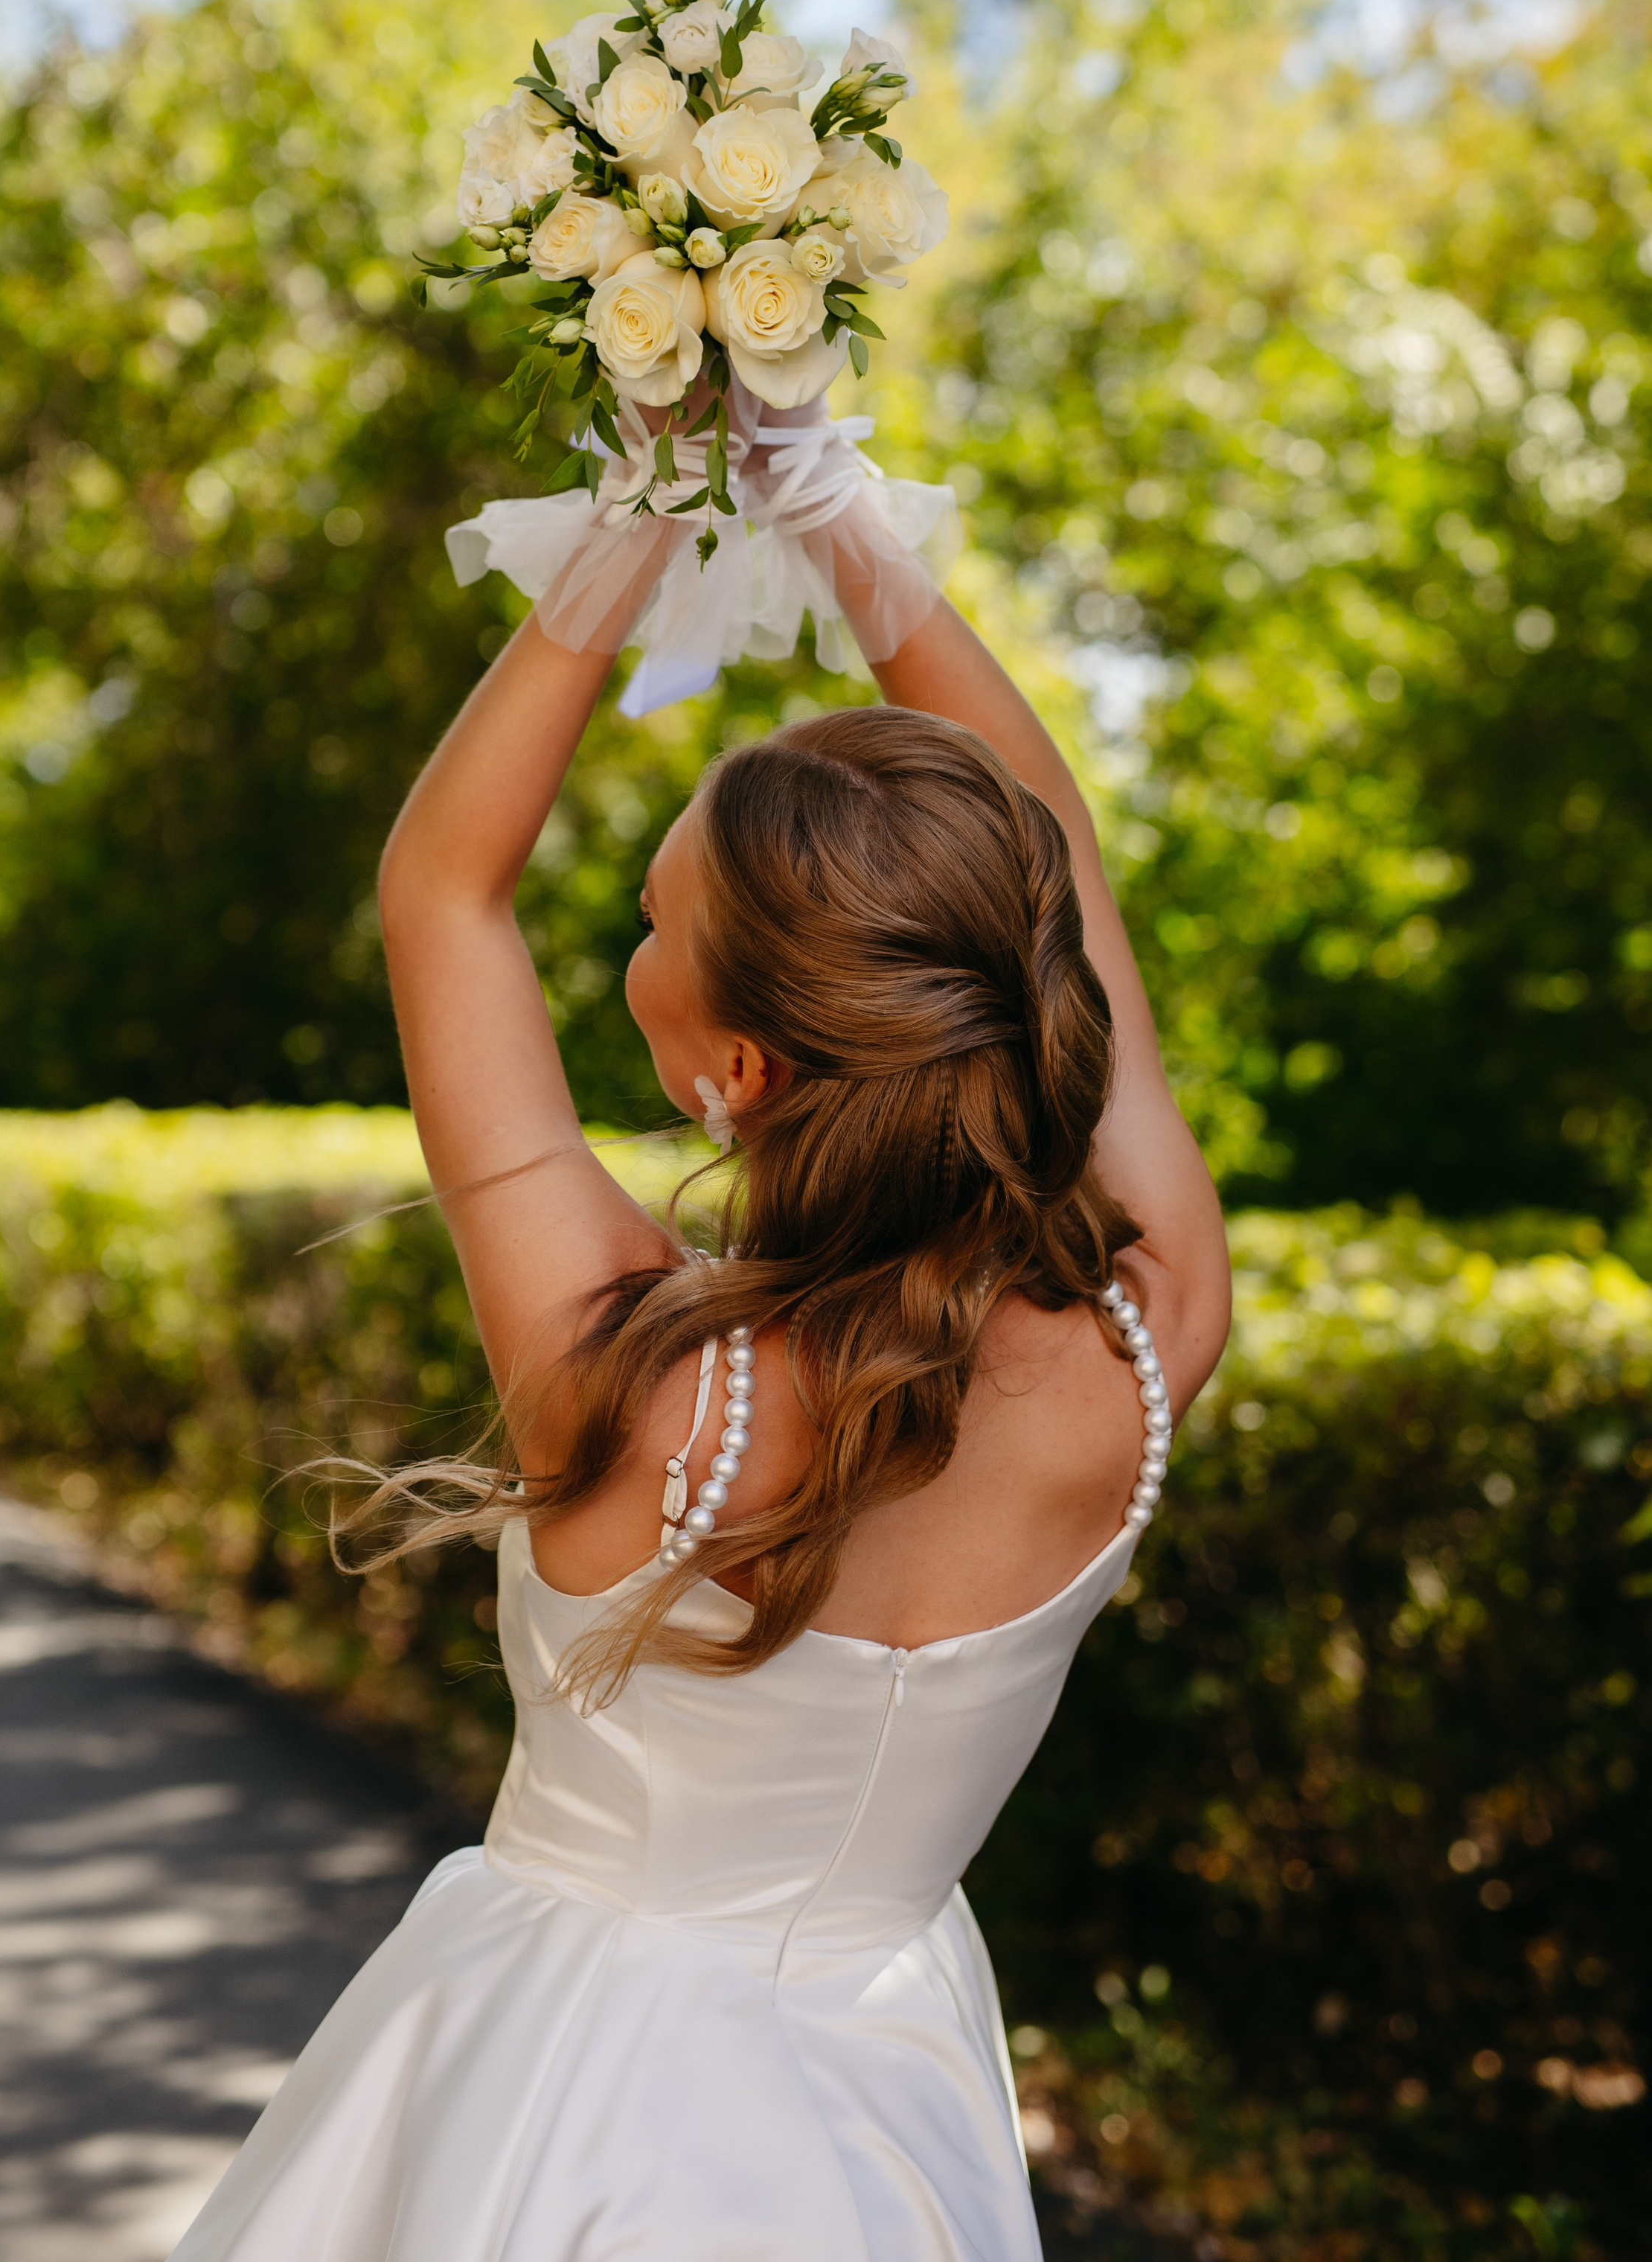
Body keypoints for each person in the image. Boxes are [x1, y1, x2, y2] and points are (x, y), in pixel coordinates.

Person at [168, 432, 1231, 2262]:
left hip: (547, 2092)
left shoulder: (624, 1363)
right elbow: (1051, 854)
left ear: (730, 1072)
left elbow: (442, 886)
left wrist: (634, 514)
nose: (630, 937)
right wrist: (836, 518)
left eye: (651, 921)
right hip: (884, 2095)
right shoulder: (1144, 1339)